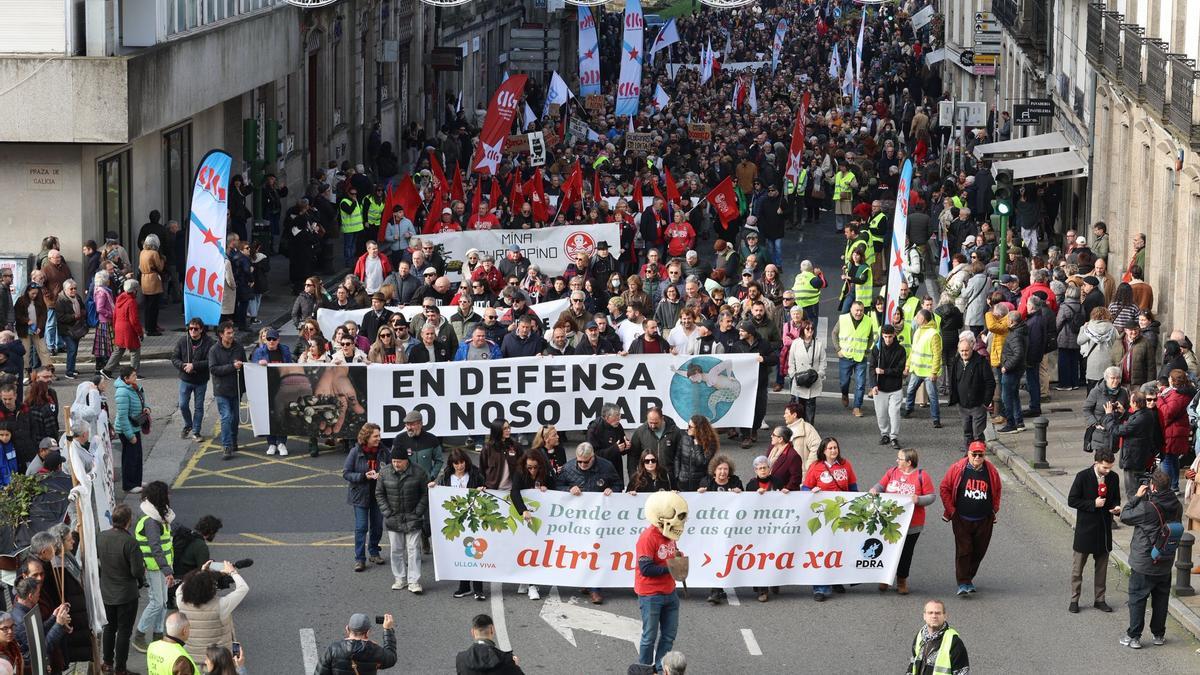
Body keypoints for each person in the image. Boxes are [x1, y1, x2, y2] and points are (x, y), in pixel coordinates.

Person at [1119, 470, 1182, 649]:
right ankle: (1158, 634)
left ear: (1153, 487)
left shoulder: (1148, 507)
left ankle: (1134, 636)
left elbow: (1125, 515)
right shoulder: (1177, 505)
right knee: (1161, 599)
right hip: (1165, 560)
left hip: (1144, 562)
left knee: (1138, 598)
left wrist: (1137, 497)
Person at [939, 441, 1002, 596]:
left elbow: (998, 489)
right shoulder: (958, 468)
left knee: (979, 551)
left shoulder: (991, 470)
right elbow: (944, 488)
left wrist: (994, 508)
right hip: (962, 518)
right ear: (968, 454)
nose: (977, 458)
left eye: (980, 455)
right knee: (964, 550)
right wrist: (951, 511)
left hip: (984, 519)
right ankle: (963, 582)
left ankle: (969, 577)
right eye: (974, 454)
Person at [635, 492, 685, 673]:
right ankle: (645, 670)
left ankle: (659, 669)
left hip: (670, 592)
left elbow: (671, 554)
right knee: (649, 637)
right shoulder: (647, 537)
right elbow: (646, 569)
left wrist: (678, 558)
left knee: (669, 636)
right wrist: (671, 568)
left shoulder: (670, 534)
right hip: (651, 595)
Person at [430, 448, 489, 600]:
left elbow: (486, 490)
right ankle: (464, 586)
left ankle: (478, 588)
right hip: (456, 520)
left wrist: (483, 489)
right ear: (452, 464)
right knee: (461, 552)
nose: (459, 466)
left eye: (461, 462)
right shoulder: (446, 477)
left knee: (475, 552)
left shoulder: (475, 474)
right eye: (456, 463)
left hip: (473, 519)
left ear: (466, 461)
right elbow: (440, 493)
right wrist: (433, 488)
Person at [1066, 450, 1121, 614]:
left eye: (1110, 467)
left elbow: (1115, 498)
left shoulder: (1113, 477)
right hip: (1085, 530)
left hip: (1103, 530)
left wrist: (1116, 508)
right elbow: (1072, 500)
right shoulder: (1082, 476)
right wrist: (1092, 504)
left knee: (1102, 569)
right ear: (1096, 462)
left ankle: (1100, 599)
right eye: (1105, 467)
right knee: (1077, 570)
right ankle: (1074, 599)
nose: (1108, 471)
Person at [99, 502, 145, 675]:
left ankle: (107, 663)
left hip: (107, 592)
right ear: (128, 521)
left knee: (109, 628)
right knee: (124, 632)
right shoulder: (130, 542)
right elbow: (137, 571)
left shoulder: (101, 537)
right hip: (126, 595)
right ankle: (120, 669)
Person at [376, 444, 429, 594]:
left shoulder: (419, 472)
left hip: (413, 518)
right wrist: (387, 512)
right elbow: (379, 493)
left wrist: (418, 512)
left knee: (414, 550)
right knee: (396, 550)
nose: (396, 464)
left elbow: (425, 494)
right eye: (393, 461)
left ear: (407, 460)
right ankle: (400, 579)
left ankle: (414, 581)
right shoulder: (385, 472)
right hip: (393, 519)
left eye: (399, 461)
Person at [175, 562, 249, 663]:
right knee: (240, 668)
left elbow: (184, 585)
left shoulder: (181, 602)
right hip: (217, 661)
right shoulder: (221, 606)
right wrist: (232, 571)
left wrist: (202, 572)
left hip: (193, 659)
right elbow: (243, 588)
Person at [132, 481, 176, 653]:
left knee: (163, 603)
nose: (169, 496)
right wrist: (168, 570)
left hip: (161, 566)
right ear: (161, 497)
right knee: (157, 602)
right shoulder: (152, 521)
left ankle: (158, 635)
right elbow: (155, 547)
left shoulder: (157, 515)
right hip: (154, 567)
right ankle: (140, 635)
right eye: (167, 493)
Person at [345, 423, 388, 572]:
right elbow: (346, 473)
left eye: (379, 435)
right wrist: (363, 476)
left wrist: (381, 475)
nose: (378, 438)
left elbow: (390, 468)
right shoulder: (355, 452)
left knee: (377, 526)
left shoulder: (383, 451)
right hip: (360, 495)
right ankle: (359, 559)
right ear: (367, 437)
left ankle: (374, 552)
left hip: (378, 495)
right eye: (375, 436)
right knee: (361, 527)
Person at [1105, 390, 1156, 501]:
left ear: (1135, 403)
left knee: (1132, 490)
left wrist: (1109, 415)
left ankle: (1135, 512)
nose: (1129, 404)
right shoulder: (1147, 413)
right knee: (1139, 487)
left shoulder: (1140, 419)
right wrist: (1124, 412)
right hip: (1140, 457)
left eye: (1131, 402)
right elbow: (1134, 419)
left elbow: (1116, 430)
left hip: (1133, 459)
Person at [947, 336, 995, 452]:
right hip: (963, 405)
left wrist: (986, 402)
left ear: (972, 349)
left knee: (977, 432)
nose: (964, 353)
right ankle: (968, 452)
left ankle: (978, 453)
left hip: (978, 404)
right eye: (962, 351)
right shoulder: (957, 362)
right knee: (967, 430)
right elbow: (954, 381)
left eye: (966, 350)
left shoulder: (981, 362)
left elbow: (990, 382)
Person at [208, 323, 246, 460]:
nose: (231, 335)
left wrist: (245, 387)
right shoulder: (214, 350)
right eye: (228, 333)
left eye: (232, 332)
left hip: (236, 389)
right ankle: (226, 446)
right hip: (222, 390)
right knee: (226, 417)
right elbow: (213, 369)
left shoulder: (239, 347)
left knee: (235, 418)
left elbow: (245, 367)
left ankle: (233, 439)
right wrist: (232, 367)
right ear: (221, 334)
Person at [315, 612, 397, 675]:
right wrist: (387, 630)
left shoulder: (333, 649)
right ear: (368, 633)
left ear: (347, 629)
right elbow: (391, 658)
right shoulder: (375, 650)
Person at [834, 301, 877, 417]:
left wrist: (867, 350)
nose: (859, 313)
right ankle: (844, 394)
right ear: (851, 310)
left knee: (860, 384)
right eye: (856, 310)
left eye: (861, 310)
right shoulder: (843, 319)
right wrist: (838, 349)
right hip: (845, 357)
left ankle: (857, 407)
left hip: (860, 357)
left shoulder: (868, 320)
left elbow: (871, 337)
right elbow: (834, 333)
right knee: (844, 382)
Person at [171, 318, 212, 442]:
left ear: (201, 329)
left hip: (200, 380)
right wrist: (183, 366)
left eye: (196, 329)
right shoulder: (183, 341)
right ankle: (188, 424)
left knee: (198, 407)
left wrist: (194, 366)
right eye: (190, 328)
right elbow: (174, 358)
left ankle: (196, 431)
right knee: (183, 405)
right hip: (186, 379)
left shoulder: (209, 342)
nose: (193, 331)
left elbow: (210, 361)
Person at [902, 310, 943, 428]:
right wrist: (908, 365)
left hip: (929, 372)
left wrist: (934, 372)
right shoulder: (918, 331)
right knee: (910, 390)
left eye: (918, 316)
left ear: (923, 319)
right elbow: (913, 351)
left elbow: (937, 354)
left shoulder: (933, 334)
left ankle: (936, 419)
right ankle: (909, 409)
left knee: (932, 395)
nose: (915, 318)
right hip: (917, 369)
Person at [871, 324, 907, 449]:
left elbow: (899, 370)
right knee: (881, 414)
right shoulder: (877, 349)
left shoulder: (901, 350)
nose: (888, 339)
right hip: (880, 387)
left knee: (894, 413)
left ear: (894, 335)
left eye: (890, 337)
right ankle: (884, 434)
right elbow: (871, 368)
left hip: (895, 388)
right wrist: (873, 385)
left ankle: (894, 437)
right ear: (882, 336)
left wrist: (884, 371)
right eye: (885, 337)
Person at [909, 599, 969, 675]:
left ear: (945, 616)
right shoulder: (919, 636)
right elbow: (913, 663)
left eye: (938, 613)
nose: (934, 616)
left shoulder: (954, 642)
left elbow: (962, 672)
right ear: (924, 616)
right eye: (930, 613)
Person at [114, 366, 149, 492]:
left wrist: (146, 408)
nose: (136, 377)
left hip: (134, 427)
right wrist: (130, 435)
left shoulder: (133, 387)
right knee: (130, 458)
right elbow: (123, 417)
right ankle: (129, 485)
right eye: (133, 376)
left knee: (137, 456)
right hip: (127, 430)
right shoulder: (122, 392)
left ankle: (137, 481)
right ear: (126, 378)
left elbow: (142, 400)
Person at [627, 407, 682, 485]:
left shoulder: (675, 432)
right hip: (646, 480)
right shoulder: (640, 432)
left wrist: (677, 477)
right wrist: (633, 478)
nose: (652, 426)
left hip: (669, 479)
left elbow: (680, 456)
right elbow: (632, 458)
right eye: (650, 423)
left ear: (662, 418)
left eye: (656, 423)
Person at [455, 614, 522, 675]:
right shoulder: (506, 660)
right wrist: (514, 665)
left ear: (472, 632)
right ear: (492, 630)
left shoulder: (461, 658)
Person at [787, 319, 825, 422]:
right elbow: (791, 361)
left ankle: (809, 430)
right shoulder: (796, 343)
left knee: (810, 410)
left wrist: (819, 374)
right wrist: (793, 375)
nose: (810, 331)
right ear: (803, 330)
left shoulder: (819, 344)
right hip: (799, 379)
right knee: (799, 408)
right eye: (807, 329)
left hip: (812, 381)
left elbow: (823, 361)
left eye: (812, 329)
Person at [673, 415, 718, 492]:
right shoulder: (684, 437)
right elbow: (677, 457)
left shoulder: (710, 442)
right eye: (688, 425)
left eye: (690, 427)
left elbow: (702, 463)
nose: (687, 428)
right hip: (683, 481)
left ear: (699, 429)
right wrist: (677, 475)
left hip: (700, 483)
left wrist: (698, 446)